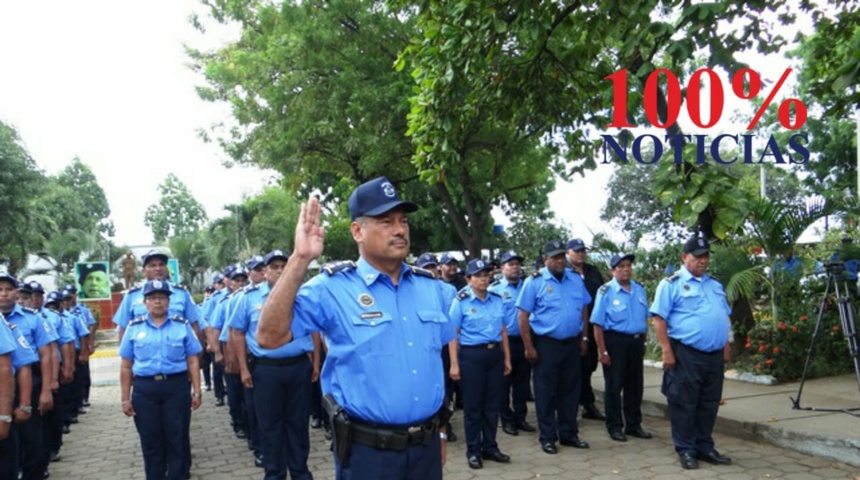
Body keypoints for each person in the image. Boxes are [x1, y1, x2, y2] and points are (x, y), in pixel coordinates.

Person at [256, 177, 456, 480]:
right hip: (368, 455)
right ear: (357, 231)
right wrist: (300, 259)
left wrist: (440, 433)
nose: (400, 230)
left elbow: (432, 367)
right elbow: (268, 337)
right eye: (386, 222)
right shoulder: (332, 288)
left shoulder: (432, 289)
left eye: (403, 221)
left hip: (425, 451)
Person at [230, 249, 320, 479]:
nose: (280, 271)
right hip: (266, 370)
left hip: (299, 366)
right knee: (270, 426)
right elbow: (237, 333)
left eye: (284, 266)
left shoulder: (302, 295)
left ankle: (300, 471)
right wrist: (243, 368)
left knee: (298, 424)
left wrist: (316, 363)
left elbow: (314, 332)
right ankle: (274, 473)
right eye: (274, 267)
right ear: (264, 271)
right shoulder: (248, 297)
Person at [650, 234, 732, 470]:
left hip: (714, 355)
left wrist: (726, 345)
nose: (703, 261)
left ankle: (705, 446)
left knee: (709, 402)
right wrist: (666, 350)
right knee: (684, 403)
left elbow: (724, 317)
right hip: (687, 353)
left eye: (706, 256)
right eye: (698, 257)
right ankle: (686, 449)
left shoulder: (714, 284)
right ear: (684, 257)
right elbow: (658, 318)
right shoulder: (671, 284)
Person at [119, 280, 203, 480]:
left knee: (177, 439)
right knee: (151, 441)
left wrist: (197, 391)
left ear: (168, 301)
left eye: (162, 297)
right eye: (153, 298)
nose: (158, 302)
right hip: (145, 389)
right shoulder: (133, 327)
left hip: (176, 387)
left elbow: (192, 360)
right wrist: (124, 398)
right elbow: (126, 365)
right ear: (145, 302)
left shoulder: (181, 326)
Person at [516, 240, 591, 455]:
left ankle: (569, 434)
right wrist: (529, 347)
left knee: (570, 391)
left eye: (561, 257)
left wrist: (584, 338)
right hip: (546, 345)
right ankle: (548, 437)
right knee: (546, 393)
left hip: (571, 344)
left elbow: (584, 309)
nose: (559, 261)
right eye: (554, 257)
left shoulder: (575, 279)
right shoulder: (534, 282)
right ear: (545, 260)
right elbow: (523, 317)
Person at [448, 258, 511, 470]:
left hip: (494, 356)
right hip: (471, 356)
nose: (484, 280)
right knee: (473, 407)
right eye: (478, 276)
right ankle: (473, 451)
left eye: (486, 275)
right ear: (468, 279)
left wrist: (507, 358)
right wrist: (454, 364)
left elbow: (503, 331)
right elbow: (452, 335)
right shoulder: (461, 301)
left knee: (492, 406)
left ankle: (490, 446)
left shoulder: (496, 298)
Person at [0, 273, 59, 480]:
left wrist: (47, 387)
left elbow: (46, 353)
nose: (3, 294)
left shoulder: (30, 318)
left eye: (8, 289)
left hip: (26, 382)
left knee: (30, 439)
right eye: (0, 290)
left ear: (16, 293)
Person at [590, 253, 652, 443]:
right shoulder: (606, 291)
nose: (626, 269)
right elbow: (597, 324)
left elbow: (645, 318)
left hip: (635, 342)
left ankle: (634, 424)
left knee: (635, 386)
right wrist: (603, 351)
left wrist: (644, 342)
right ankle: (615, 426)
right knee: (614, 387)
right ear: (612, 271)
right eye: (621, 266)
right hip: (615, 343)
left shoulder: (639, 289)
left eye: (628, 266)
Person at [489, 250, 535, 436]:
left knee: (522, 383)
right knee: (503, 384)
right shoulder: (494, 290)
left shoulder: (528, 286)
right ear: (502, 268)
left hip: (525, 341)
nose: (515, 267)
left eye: (517, 264)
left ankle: (520, 418)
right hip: (504, 344)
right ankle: (506, 420)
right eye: (510, 264)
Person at [566, 238, 606, 421]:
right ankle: (578, 404)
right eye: (576, 251)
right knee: (574, 369)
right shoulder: (564, 272)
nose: (580, 254)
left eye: (582, 250)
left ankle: (587, 404)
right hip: (573, 329)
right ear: (568, 252)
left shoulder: (592, 271)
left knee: (589, 366)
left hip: (592, 326)